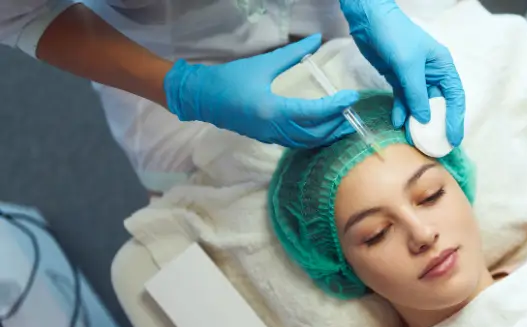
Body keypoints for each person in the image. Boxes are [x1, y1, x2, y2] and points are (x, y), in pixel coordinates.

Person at [0, 0, 465, 192]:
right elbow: (24, 13)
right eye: (375, 233)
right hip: (164, 46)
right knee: (195, 178)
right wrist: (184, 90)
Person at [268, 90, 506, 327]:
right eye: (377, 234)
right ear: (343, 266)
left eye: (430, 195)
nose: (422, 234)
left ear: (458, 181)